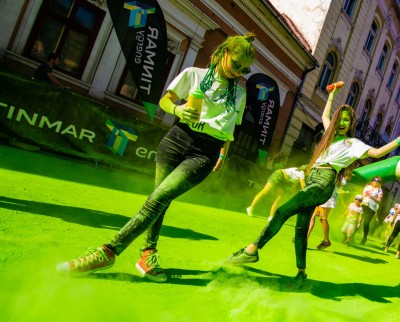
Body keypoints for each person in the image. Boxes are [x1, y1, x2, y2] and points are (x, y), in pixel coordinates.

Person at [56, 33, 256, 282]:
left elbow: (230, 128)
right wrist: (178, 109)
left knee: (158, 199)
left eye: (244, 69)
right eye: (236, 64)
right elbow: (166, 101)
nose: (238, 72)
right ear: (224, 53)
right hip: (176, 139)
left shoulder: (238, 94)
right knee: (159, 200)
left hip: (205, 152)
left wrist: (224, 153)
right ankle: (148, 253)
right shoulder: (194, 74)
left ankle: (108, 251)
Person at [227, 85, 400, 284]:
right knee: (301, 228)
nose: (343, 122)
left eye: (347, 120)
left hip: (324, 181)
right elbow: (324, 116)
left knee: (282, 211)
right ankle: (301, 273)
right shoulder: (329, 136)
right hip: (312, 178)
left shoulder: (353, 144)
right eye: (341, 119)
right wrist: (330, 96)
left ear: (351, 123)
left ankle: (253, 249)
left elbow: (377, 153)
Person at [359, 176, 383, 245]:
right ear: (372, 181)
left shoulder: (379, 190)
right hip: (363, 204)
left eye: (377, 181)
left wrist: (373, 198)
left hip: (372, 208)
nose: (375, 182)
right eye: (374, 180)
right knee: (358, 219)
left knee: (366, 223)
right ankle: (350, 236)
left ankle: (364, 237)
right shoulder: (367, 186)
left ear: (379, 183)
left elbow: (379, 201)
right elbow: (362, 194)